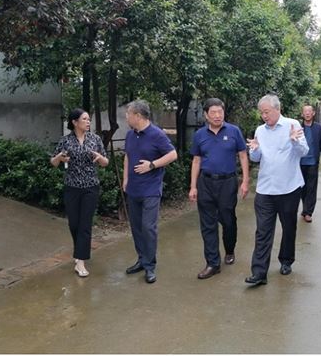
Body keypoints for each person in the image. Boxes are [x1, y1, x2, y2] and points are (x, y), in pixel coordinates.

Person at [245, 94, 309, 286]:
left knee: (288, 227)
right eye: (261, 113)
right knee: (263, 231)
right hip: (265, 189)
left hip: (289, 188)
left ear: (277, 109)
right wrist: (254, 150)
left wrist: (294, 141)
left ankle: (286, 260)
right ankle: (259, 273)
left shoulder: (292, 125)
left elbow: (304, 152)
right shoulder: (260, 130)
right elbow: (255, 158)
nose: (264, 116)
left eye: (267, 112)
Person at [189, 98, 250, 279]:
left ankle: (229, 249)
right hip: (206, 182)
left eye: (220, 112)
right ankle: (212, 263)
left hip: (227, 183)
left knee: (228, 220)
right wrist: (193, 186)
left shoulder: (234, 131)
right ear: (206, 115)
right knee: (207, 224)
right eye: (213, 112)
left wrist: (245, 181)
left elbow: (243, 156)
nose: (217, 115)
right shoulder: (199, 135)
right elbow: (196, 160)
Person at [123, 100, 178, 284]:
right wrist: (125, 179)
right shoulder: (130, 135)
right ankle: (141, 259)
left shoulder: (157, 134)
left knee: (148, 227)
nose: (126, 117)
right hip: (133, 189)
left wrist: (152, 165)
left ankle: (150, 266)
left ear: (138, 116)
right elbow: (127, 157)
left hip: (151, 189)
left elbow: (172, 154)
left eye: (128, 114)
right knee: (136, 227)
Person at [51, 108, 109, 277]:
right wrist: (60, 158)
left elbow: (105, 162)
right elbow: (53, 162)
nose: (88, 122)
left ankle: (81, 261)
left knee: (85, 224)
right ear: (74, 122)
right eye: (84, 119)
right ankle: (79, 251)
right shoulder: (65, 141)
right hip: (72, 187)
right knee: (74, 224)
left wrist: (100, 158)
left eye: (89, 119)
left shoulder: (95, 139)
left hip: (91, 187)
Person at [299, 104, 321, 223]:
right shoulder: (298, 127)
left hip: (313, 161)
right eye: (305, 111)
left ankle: (308, 212)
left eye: (309, 111)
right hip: (300, 162)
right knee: (302, 187)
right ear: (302, 114)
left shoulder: (319, 128)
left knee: (312, 188)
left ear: (313, 113)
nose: (307, 113)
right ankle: (305, 208)